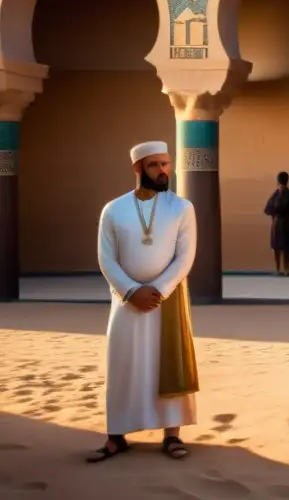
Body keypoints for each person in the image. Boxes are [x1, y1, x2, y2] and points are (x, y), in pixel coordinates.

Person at [89, 140, 199, 463]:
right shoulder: (113, 209)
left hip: (166, 302)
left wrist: (159, 290)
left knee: (168, 363)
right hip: (126, 303)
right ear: (138, 168)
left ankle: (172, 435)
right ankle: (116, 437)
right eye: (154, 165)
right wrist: (130, 291)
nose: (163, 170)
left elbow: (186, 257)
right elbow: (105, 259)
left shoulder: (182, 208)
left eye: (166, 164)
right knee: (123, 364)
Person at [264, 171, 289, 276]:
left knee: (285, 248)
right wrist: (276, 210)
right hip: (276, 224)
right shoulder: (276, 194)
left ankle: (286, 269)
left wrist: (279, 210)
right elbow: (267, 209)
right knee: (276, 247)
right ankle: (278, 269)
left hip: (284, 223)